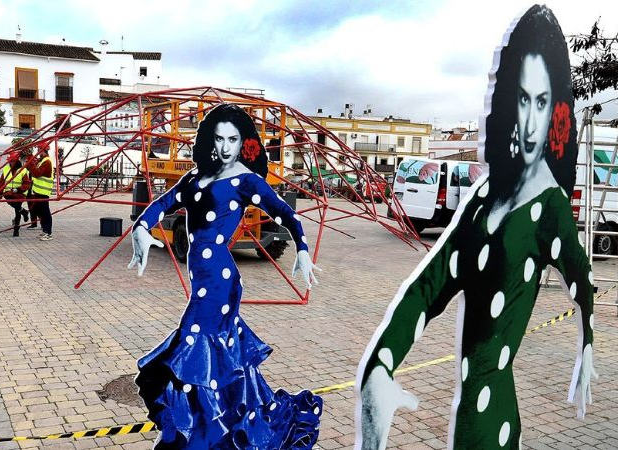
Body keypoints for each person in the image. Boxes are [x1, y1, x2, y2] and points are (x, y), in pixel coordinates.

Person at [354, 6, 596, 450]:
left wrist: (587, 344)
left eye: (541, 103)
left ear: (556, 111)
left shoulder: (552, 208)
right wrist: (381, 368)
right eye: (522, 99)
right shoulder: (483, 199)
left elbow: (582, 275)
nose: (528, 121)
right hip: (474, 414)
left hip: (491, 421)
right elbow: (428, 286)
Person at [130, 104, 323, 449]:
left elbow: (286, 214)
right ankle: (228, 428)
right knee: (216, 360)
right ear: (209, 140)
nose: (225, 147)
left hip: (219, 284)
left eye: (232, 139)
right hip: (202, 282)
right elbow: (161, 204)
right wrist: (141, 229)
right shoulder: (194, 179)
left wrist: (303, 250)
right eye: (218, 138)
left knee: (190, 351)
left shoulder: (245, 181)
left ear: (243, 142)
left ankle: (199, 439)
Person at [0, 153, 31, 237]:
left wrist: (18, 189)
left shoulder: (23, 170)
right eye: (10, 161)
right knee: (17, 207)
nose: (11, 163)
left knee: (17, 211)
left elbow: (27, 184)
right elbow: (2, 182)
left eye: (12, 161)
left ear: (17, 160)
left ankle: (16, 230)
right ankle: (24, 212)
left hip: (19, 194)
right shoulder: (6, 169)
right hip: (8, 194)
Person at [29, 141, 54, 241]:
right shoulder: (42, 160)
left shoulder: (47, 161)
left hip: (43, 192)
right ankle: (44, 230)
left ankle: (48, 233)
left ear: (44, 150)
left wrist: (31, 163)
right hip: (39, 191)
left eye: (39, 149)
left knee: (45, 212)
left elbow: (36, 173)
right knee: (39, 211)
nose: (38, 151)